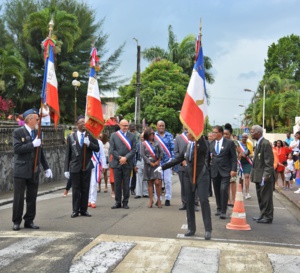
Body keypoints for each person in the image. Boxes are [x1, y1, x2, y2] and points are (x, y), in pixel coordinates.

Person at [156, 132, 212, 240]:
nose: (187, 134)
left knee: (204, 200)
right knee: (189, 201)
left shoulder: (202, 144)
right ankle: (191, 228)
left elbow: (203, 146)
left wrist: (198, 135)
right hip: (188, 176)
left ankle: (208, 230)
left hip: (201, 175)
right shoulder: (188, 145)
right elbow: (178, 159)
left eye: (190, 132)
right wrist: (163, 167)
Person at [12, 108, 53, 231]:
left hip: (34, 170)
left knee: (32, 197)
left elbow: (40, 152)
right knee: (19, 197)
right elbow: (17, 149)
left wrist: (46, 167)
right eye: (36, 119)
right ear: (29, 119)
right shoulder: (18, 132)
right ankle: (16, 221)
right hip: (21, 170)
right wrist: (32, 145)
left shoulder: (37, 133)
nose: (38, 121)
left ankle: (29, 220)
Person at [64, 115, 100, 218]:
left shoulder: (90, 135)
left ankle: (84, 210)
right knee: (76, 189)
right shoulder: (71, 137)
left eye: (85, 123)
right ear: (77, 124)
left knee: (85, 189)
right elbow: (68, 154)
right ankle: (75, 210)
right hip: (75, 167)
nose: (83, 124)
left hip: (87, 165)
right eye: (81, 123)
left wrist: (89, 144)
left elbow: (97, 148)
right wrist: (66, 169)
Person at [209, 125, 237, 219]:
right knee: (216, 190)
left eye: (215, 132)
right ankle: (219, 208)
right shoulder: (211, 143)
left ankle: (224, 211)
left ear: (220, 133)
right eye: (213, 132)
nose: (213, 134)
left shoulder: (229, 143)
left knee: (223, 189)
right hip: (215, 170)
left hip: (226, 171)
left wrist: (233, 169)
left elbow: (234, 158)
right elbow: (208, 157)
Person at [250, 125, 275, 224]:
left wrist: (266, 175)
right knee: (260, 196)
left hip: (265, 176)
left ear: (258, 133)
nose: (251, 133)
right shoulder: (258, 143)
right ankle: (262, 214)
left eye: (252, 132)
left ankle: (268, 216)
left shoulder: (265, 143)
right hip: (258, 175)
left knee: (266, 197)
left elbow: (269, 162)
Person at [109, 119, 136, 209]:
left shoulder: (132, 136)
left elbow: (133, 150)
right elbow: (112, 150)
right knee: (117, 184)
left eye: (127, 125)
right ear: (119, 125)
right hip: (117, 163)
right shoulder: (114, 135)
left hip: (127, 163)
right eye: (123, 125)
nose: (125, 127)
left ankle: (125, 202)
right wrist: (120, 158)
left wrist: (126, 158)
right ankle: (117, 202)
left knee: (126, 184)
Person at [141, 127, 163, 208]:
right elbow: (143, 155)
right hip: (148, 164)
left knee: (157, 182)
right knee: (150, 182)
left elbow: (161, 152)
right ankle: (151, 200)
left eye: (153, 133)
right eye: (150, 134)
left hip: (156, 164)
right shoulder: (144, 144)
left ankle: (159, 200)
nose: (152, 135)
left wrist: (158, 161)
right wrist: (150, 163)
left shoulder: (157, 143)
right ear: (147, 135)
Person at [155, 120, 174, 206]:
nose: (161, 127)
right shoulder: (154, 136)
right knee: (158, 181)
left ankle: (168, 198)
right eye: (160, 126)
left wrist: (172, 160)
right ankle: (158, 198)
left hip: (167, 161)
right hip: (157, 161)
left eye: (163, 126)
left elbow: (172, 148)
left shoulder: (169, 135)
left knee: (167, 181)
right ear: (157, 126)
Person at [88, 135, 107, 208]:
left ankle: (93, 200)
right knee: (87, 183)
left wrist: (104, 165)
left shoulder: (99, 142)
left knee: (94, 183)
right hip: (87, 164)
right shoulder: (86, 141)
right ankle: (88, 199)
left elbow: (102, 154)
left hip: (96, 164)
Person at [223, 123, 239, 207]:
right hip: (225, 165)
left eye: (227, 134)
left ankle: (233, 200)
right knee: (227, 183)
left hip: (233, 165)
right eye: (224, 134)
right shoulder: (222, 142)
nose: (225, 135)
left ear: (230, 134)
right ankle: (228, 199)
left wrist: (238, 159)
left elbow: (240, 152)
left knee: (232, 182)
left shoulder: (234, 142)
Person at [174, 127, 189, 210]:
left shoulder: (195, 136)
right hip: (182, 165)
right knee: (183, 185)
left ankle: (194, 203)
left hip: (193, 165)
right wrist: (182, 160)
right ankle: (184, 203)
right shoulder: (178, 138)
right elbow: (176, 152)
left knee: (193, 185)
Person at [238, 133, 253, 200]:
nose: (244, 138)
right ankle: (240, 192)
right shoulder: (238, 145)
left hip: (247, 162)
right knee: (241, 178)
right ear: (241, 137)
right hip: (240, 162)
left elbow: (252, 153)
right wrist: (240, 155)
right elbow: (237, 153)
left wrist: (250, 156)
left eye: (246, 137)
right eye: (243, 137)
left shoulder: (249, 144)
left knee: (247, 176)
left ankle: (247, 193)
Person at [134, 133, 148, 199]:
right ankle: (138, 193)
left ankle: (145, 193)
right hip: (139, 161)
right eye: (141, 137)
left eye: (144, 137)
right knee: (138, 177)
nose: (142, 138)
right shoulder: (137, 145)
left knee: (145, 178)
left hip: (146, 162)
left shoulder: (148, 144)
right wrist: (134, 165)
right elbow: (134, 155)